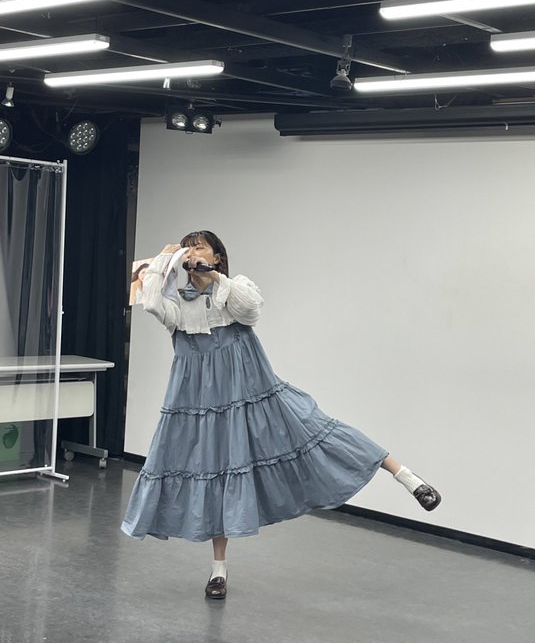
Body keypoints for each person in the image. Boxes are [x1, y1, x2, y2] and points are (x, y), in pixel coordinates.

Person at [121, 230, 441, 600]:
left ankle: (407, 477)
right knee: (215, 475)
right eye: (187, 247)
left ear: (218, 256)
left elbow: (250, 310)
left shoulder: (233, 290)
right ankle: (219, 570)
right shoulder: (177, 303)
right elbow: (150, 302)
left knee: (317, 430)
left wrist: (213, 276)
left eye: (200, 246)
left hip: (254, 395)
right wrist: (167, 260)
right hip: (200, 405)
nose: (192, 252)